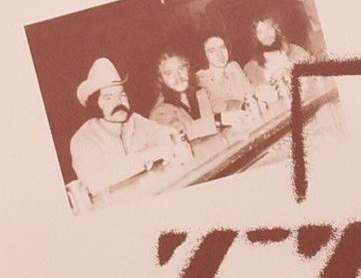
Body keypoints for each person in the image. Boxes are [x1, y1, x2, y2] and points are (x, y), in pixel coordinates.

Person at [69, 57, 188, 199]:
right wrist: (143, 157)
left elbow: (169, 136)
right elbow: (93, 183)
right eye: (108, 97)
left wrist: (163, 148)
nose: (119, 102)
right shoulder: (84, 138)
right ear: (96, 103)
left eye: (122, 95)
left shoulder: (135, 120)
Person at [243, 15, 310, 98]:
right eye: (260, 32)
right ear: (255, 37)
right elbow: (258, 96)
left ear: (276, 29)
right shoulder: (251, 69)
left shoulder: (295, 51)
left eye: (268, 28)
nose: (266, 35)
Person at [196, 34, 253, 122]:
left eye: (222, 48)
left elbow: (250, 92)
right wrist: (244, 105)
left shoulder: (234, 67)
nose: (220, 54)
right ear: (203, 55)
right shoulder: (202, 79)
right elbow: (218, 106)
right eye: (212, 51)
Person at [149, 52, 199, 136]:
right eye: (169, 73)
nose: (178, 77)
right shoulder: (161, 111)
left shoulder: (199, 93)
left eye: (181, 68)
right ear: (160, 78)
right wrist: (217, 121)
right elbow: (183, 134)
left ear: (188, 67)